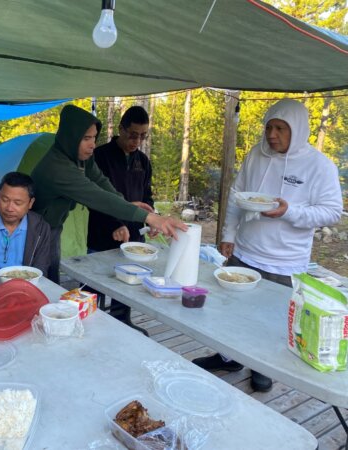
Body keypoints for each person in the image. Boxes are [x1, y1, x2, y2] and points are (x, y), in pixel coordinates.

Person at [193, 98, 343, 392]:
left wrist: (290, 211)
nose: (272, 135)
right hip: (245, 252)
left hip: (284, 262)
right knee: (229, 311)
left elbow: (332, 211)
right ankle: (227, 357)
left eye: (280, 129)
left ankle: (262, 367)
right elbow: (238, 196)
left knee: (269, 321)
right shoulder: (256, 155)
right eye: (269, 127)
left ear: (297, 130)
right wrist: (228, 235)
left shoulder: (319, 166)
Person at [31, 104, 186, 284]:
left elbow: (101, 181)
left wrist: (126, 203)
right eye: (86, 138)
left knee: (51, 278)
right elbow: (98, 196)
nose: (92, 145)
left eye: (94, 138)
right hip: (35, 232)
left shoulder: (80, 157)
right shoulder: (58, 168)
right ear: (70, 138)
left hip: (53, 227)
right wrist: (150, 218)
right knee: (41, 281)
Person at [87, 106, 153, 328]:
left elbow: (146, 196)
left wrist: (151, 218)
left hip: (133, 235)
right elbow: (95, 198)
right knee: (94, 281)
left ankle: (121, 321)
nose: (137, 141)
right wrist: (115, 223)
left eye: (143, 136)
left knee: (126, 282)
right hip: (101, 232)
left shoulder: (142, 161)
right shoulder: (99, 156)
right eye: (133, 135)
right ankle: (88, 322)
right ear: (121, 129)